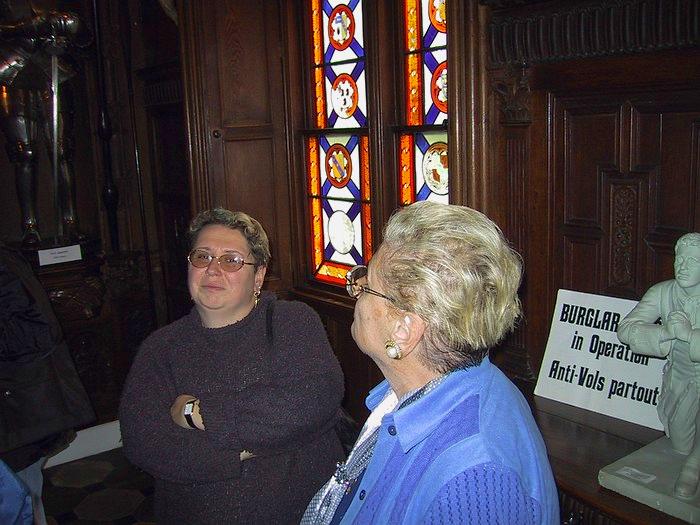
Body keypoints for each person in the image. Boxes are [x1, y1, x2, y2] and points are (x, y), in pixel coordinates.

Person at [302, 201, 559, 524]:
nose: (356, 289)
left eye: (368, 286)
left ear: (403, 330)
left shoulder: (473, 483)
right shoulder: (421, 387)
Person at [119, 208, 345, 524]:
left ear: (259, 276)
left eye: (231, 260)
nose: (213, 269)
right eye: (202, 257)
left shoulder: (291, 321)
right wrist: (249, 448)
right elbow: (145, 444)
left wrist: (194, 413)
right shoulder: (161, 347)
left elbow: (311, 402)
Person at [0, 242, 95, 525]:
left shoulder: (5, 264)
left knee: (20, 502)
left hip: (20, 411)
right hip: (21, 408)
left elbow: (35, 332)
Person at [617, 232, 700, 499]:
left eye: (693, 261)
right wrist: (664, 332)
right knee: (680, 442)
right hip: (680, 378)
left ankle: (694, 466)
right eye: (680, 259)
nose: (683, 267)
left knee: (692, 454)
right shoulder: (663, 292)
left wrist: (689, 335)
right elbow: (625, 329)